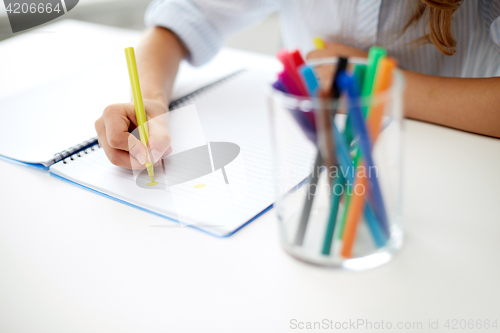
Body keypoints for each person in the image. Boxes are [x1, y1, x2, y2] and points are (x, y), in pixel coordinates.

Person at [95, 0, 500, 169]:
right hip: (305, 161)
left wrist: (387, 85)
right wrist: (151, 101)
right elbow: (179, 23)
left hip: (458, 165)